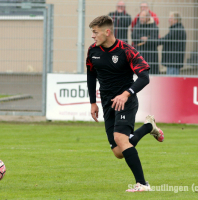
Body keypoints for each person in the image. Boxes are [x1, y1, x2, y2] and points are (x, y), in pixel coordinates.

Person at [86, 15, 164, 192]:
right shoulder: (93, 51)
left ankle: (143, 184)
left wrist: (126, 94)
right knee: (118, 152)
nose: (92, 36)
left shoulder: (126, 50)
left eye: (95, 32)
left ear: (107, 32)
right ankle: (148, 127)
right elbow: (91, 75)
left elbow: (144, 77)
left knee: (120, 138)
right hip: (107, 103)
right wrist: (93, 102)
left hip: (125, 101)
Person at [132, 10, 159, 74]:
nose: (141, 19)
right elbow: (133, 36)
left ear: (148, 18)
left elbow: (154, 39)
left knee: (151, 73)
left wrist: (147, 39)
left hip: (151, 54)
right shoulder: (138, 25)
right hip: (140, 53)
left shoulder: (153, 26)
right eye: (140, 17)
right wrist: (142, 38)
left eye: (143, 17)